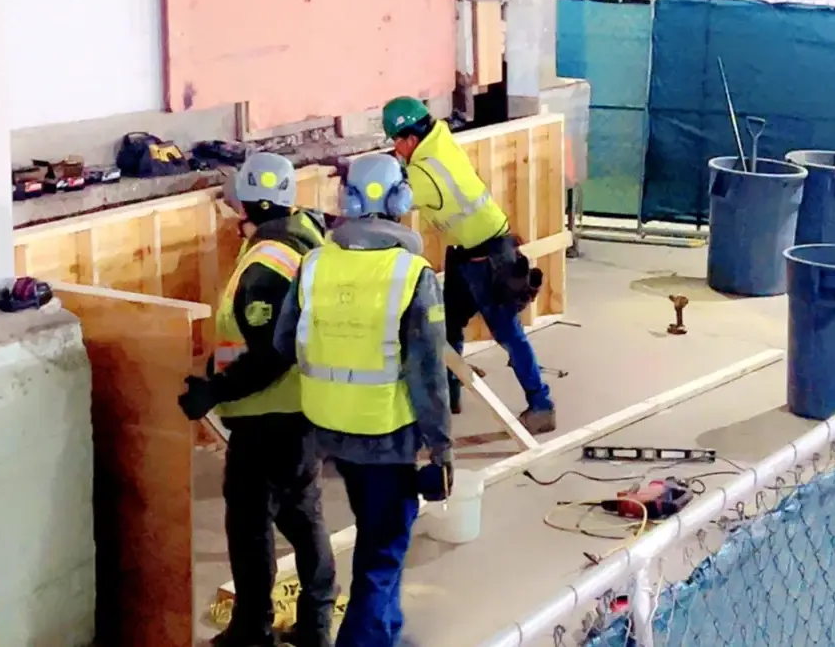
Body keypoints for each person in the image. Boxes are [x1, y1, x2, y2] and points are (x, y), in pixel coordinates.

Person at [274, 154, 453, 647]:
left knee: (374, 530)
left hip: (327, 427)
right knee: (383, 546)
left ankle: (386, 629)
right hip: (385, 432)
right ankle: (363, 640)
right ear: (401, 200)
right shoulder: (412, 274)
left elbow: (283, 343)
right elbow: (428, 374)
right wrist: (441, 449)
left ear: (347, 200)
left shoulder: (314, 264)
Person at [177, 152, 337, 647]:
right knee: (302, 515)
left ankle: (252, 629)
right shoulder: (306, 235)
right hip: (304, 411)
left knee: (250, 526)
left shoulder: (266, 264)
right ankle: (314, 627)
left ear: (248, 202)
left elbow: (270, 354)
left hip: (269, 417)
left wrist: (214, 392)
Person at [381, 96, 555, 433]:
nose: (396, 149)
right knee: (449, 325)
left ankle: (541, 404)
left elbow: (395, 201)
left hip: (488, 257)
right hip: (468, 250)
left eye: (396, 142)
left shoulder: (423, 171)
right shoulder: (440, 139)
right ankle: (450, 393)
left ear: (411, 140)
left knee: (509, 334)